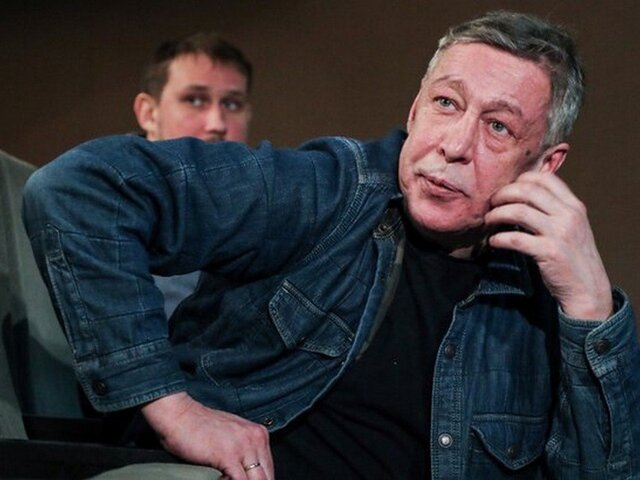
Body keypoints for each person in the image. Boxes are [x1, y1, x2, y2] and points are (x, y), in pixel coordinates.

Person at [22, 10, 640, 480]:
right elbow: (81, 190)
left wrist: (591, 309)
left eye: (498, 126)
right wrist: (172, 409)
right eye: (446, 104)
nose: (454, 145)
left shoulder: (545, 305)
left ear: (544, 164)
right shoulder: (326, 190)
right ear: (415, 110)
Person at [133, 31, 253, 318]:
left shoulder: (270, 215)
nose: (217, 124)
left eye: (232, 104)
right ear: (149, 113)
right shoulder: (105, 204)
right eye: (195, 100)